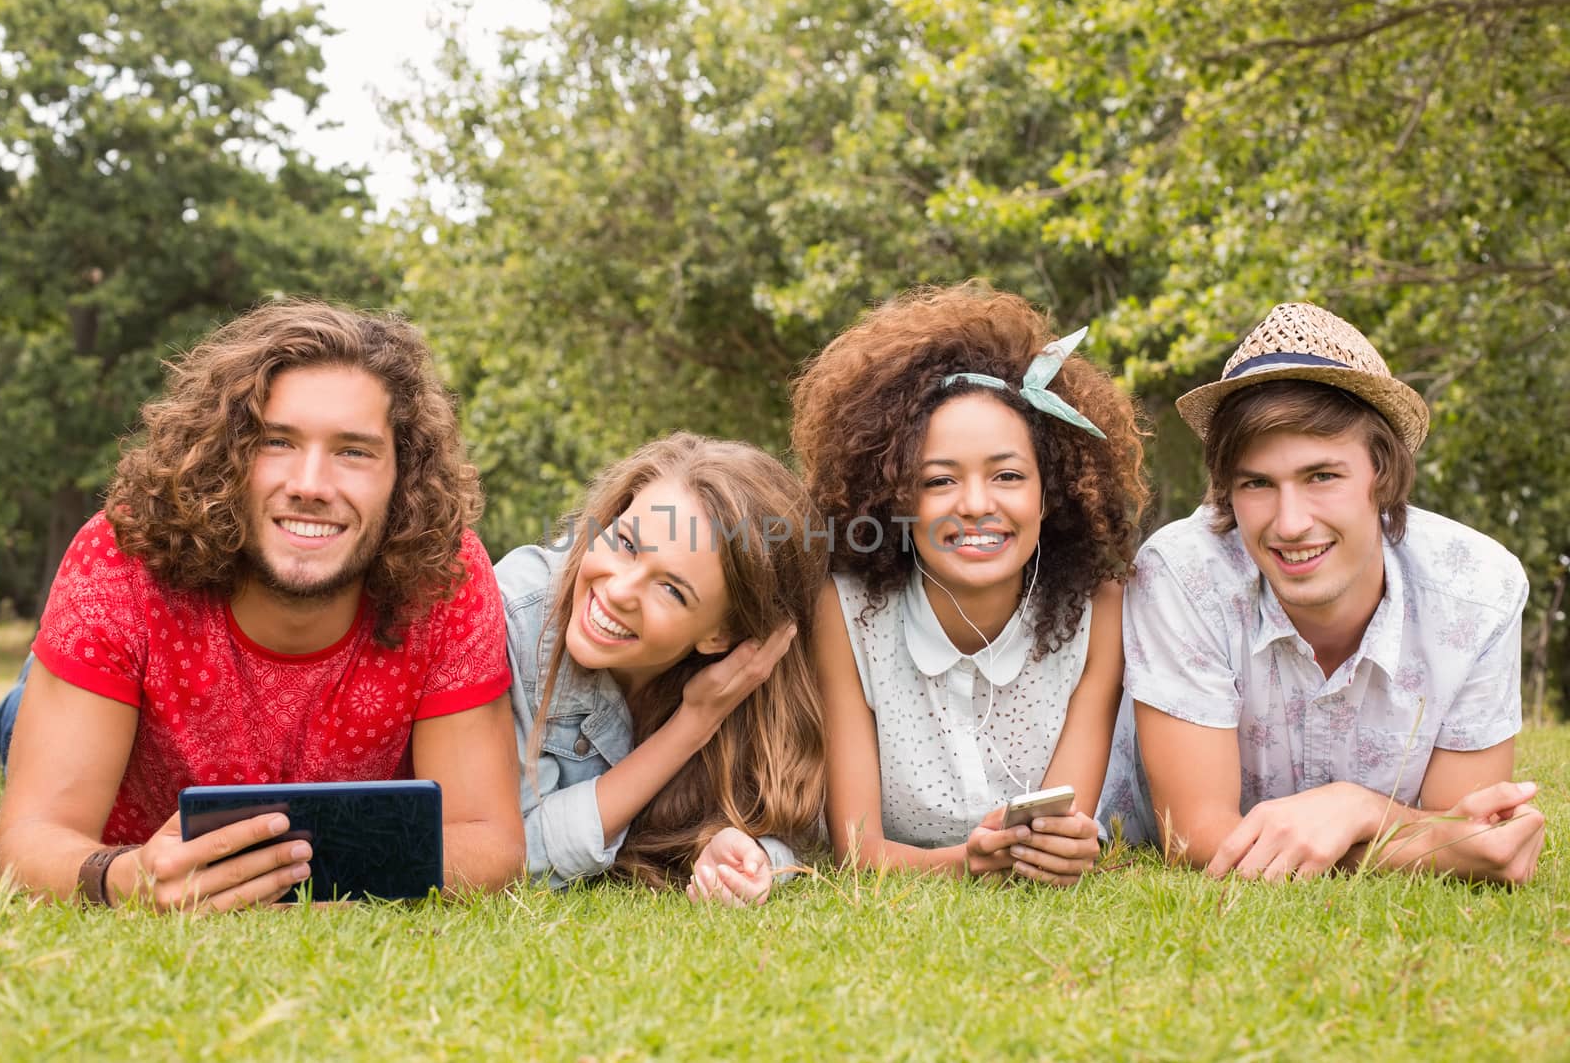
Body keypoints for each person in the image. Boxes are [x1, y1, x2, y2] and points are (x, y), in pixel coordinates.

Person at [0, 302, 525, 910]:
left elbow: (491, 841)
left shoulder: (444, 569)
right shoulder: (121, 551)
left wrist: (315, 877)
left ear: (403, 476)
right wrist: (123, 878)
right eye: (277, 441)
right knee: (18, 728)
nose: (311, 485)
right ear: (227, 454)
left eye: (354, 451)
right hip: (112, 705)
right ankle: (29, 692)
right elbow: (30, 839)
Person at [1104, 301, 1545, 883]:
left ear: (1382, 476)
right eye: (1257, 484)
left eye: (1322, 477)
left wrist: (1359, 809)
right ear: (1226, 493)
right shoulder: (1184, 574)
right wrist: (1416, 837)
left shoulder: (1478, 590)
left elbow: (1468, 831)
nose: (1290, 524)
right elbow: (1196, 836)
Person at [790, 282, 1148, 885]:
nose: (976, 505)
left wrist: (1061, 848)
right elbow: (858, 851)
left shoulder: (1099, 610)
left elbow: (1067, 817)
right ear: (895, 498)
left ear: (1049, 494)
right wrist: (969, 865)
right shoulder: (846, 612)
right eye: (938, 481)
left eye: (1008, 475)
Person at [494, 432, 826, 905]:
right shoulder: (516, 618)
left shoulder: (744, 677)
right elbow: (511, 857)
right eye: (626, 543)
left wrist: (747, 853)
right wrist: (691, 725)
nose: (621, 590)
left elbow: (796, 823)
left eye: (671, 589)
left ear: (720, 637)